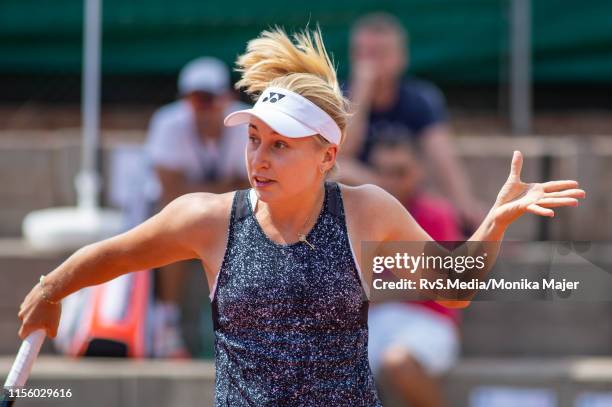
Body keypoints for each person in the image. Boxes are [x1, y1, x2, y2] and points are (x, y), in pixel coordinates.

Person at [17, 27, 584, 406]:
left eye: (280, 146)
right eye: (255, 139)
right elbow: (115, 254)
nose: (258, 158)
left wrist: (494, 224)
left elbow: (453, 286)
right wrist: (51, 287)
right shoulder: (209, 219)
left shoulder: (365, 209)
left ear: (327, 156)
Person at [338, 12, 486, 230]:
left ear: (400, 57)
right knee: (338, 169)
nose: (371, 63)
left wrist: (463, 202)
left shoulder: (420, 98)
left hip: (406, 191)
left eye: (380, 54)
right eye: (364, 54)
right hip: (356, 192)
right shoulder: (337, 96)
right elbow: (340, 155)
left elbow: (442, 157)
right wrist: (361, 93)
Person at [144, 57, 250, 357]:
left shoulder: (244, 122)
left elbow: (252, 190)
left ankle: (239, 325)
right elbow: (170, 194)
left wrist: (196, 192)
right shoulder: (168, 122)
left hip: (225, 214)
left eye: (208, 99)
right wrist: (225, 188)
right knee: (174, 229)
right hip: (180, 214)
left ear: (225, 99)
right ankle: (167, 325)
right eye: (194, 100)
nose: (201, 108)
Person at [367, 136, 463, 407]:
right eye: (383, 172)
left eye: (400, 172)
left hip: (429, 321)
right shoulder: (362, 216)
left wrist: (378, 290)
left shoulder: (437, 214)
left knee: (399, 363)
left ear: (418, 171)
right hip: (373, 322)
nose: (391, 181)